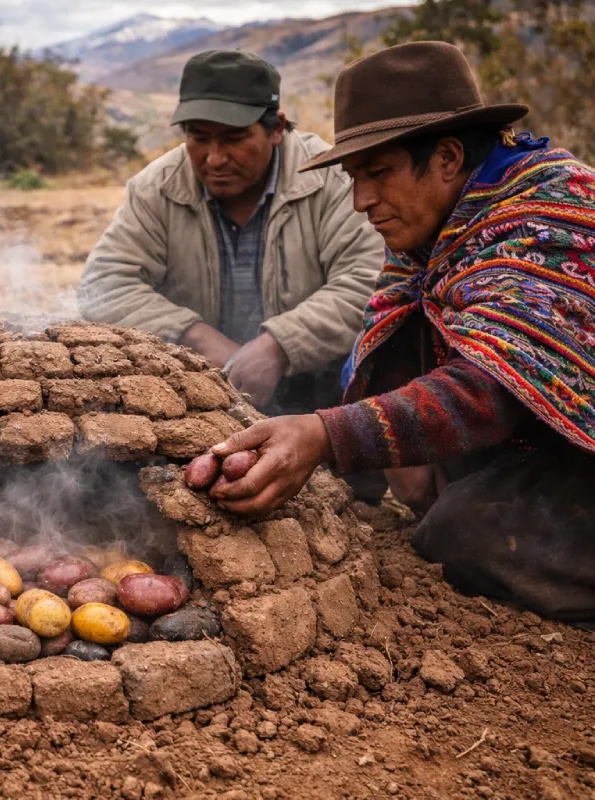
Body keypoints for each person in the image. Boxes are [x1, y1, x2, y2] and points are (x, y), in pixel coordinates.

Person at [209, 42, 595, 624]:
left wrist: (328, 437)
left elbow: (488, 387)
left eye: (379, 174)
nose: (363, 201)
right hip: (528, 445)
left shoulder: (551, 218)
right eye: (354, 178)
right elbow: (388, 330)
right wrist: (374, 442)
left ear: (446, 157)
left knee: (465, 533)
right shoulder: (436, 226)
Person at [78, 49, 384, 415]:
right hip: (197, 404)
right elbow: (103, 283)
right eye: (199, 137)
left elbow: (370, 280)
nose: (215, 158)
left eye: (234, 138)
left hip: (327, 400)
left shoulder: (330, 178)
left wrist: (279, 346)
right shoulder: (155, 187)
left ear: (275, 129)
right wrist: (195, 336)